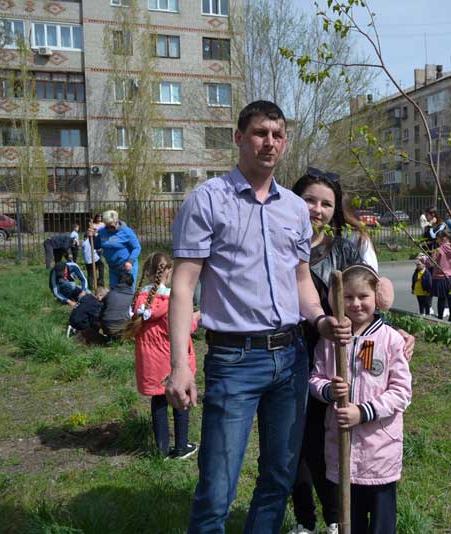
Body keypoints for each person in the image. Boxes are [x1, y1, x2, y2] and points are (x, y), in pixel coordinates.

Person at [166, 100, 352, 534]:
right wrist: (180, 364)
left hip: (290, 360)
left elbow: (302, 280)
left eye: (278, 135)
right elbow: (182, 287)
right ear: (238, 138)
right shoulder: (208, 201)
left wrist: (321, 321)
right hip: (234, 361)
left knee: (278, 478)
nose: (270, 142)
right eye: (260, 133)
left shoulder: (293, 209)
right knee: (217, 487)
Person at [289, 168, 416, 534]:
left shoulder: (349, 245)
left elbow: (372, 296)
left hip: (339, 348)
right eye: (309, 200)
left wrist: (392, 332)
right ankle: (304, 520)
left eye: (326, 203)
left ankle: (335, 518)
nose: (317, 209)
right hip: (295, 352)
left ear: (336, 208)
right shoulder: (282, 242)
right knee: (294, 441)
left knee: (327, 438)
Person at [309, 264, 411, 534]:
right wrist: (328, 391)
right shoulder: (330, 341)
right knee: (348, 525)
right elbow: (315, 379)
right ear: (335, 300)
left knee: (380, 526)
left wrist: (363, 411)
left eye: (363, 296)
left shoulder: (390, 340)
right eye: (348, 297)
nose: (355, 304)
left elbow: (401, 391)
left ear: (376, 298)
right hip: (341, 453)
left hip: (379, 454)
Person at [125, 252, 198, 459]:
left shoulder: (139, 300)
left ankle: (161, 450)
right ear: (168, 272)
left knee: (158, 402)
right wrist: (197, 317)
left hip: (150, 362)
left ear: (147, 273)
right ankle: (182, 446)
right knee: (180, 399)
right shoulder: (171, 300)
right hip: (171, 359)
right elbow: (184, 327)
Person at [98, 209, 141, 289]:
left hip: (127, 268)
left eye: (112, 226)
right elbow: (96, 246)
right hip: (113, 268)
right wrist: (91, 238)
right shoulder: (101, 232)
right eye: (107, 226)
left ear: (117, 221)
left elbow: (137, 247)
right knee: (114, 291)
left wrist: (130, 261)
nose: (109, 229)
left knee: (127, 291)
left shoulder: (127, 232)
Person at [431, 230, 451, 322]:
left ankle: (440, 318)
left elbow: (432, 263)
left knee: (441, 298)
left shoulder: (438, 250)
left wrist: (424, 260)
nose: (437, 241)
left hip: (440, 277)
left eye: (437, 239)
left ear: (443, 239)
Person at [100, 271, 136, 339]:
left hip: (106, 326)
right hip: (123, 326)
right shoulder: (133, 297)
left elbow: (101, 308)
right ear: (131, 284)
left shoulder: (110, 294)